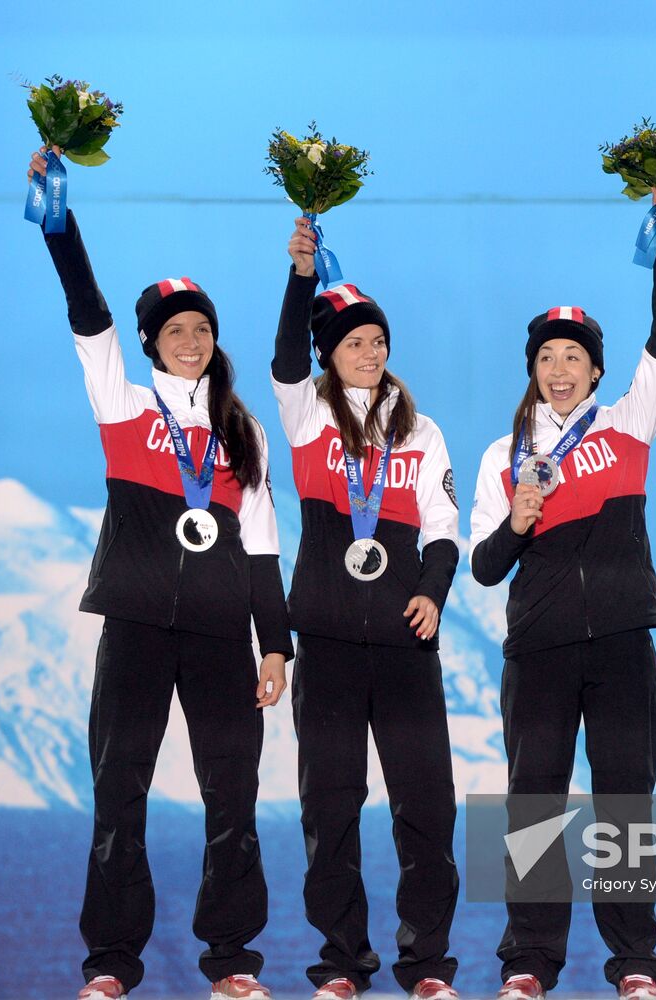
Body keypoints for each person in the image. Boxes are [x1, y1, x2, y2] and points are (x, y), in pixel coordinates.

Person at [28, 148, 293, 1000]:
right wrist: (61, 224)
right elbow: (87, 313)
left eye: (202, 330)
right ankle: (111, 964)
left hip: (221, 636)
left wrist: (275, 648)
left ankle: (232, 961)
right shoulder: (122, 402)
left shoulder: (242, 435)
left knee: (233, 799)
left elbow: (261, 551)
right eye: (175, 330)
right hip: (136, 626)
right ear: (150, 343)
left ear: (216, 345)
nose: (190, 341)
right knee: (120, 797)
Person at [469, 187, 656, 1000]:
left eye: (574, 357)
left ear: (596, 369)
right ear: (533, 369)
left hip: (625, 642)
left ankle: (634, 963)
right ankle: (529, 963)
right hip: (540, 650)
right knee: (535, 809)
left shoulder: (628, 423)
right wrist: (520, 522)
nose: (559, 369)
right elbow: (485, 567)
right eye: (547, 357)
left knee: (625, 810)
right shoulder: (502, 452)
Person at [273, 218, 462, 1000]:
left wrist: (432, 591)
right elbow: (284, 359)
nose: (372, 350)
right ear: (330, 352)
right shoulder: (306, 417)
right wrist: (300, 277)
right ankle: (342, 967)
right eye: (355, 341)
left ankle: (424, 968)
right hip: (326, 643)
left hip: (404, 647)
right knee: (332, 811)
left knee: (425, 812)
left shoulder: (422, 431)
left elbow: (446, 531)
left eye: (379, 339)